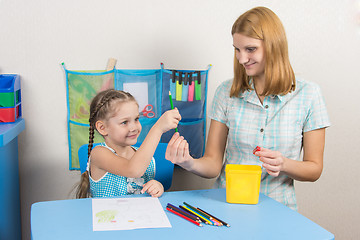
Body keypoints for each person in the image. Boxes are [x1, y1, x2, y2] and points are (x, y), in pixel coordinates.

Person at [165, 6, 330, 210]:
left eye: (250, 49)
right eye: (237, 49)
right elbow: (213, 163)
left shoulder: (309, 94)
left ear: (274, 46)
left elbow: (314, 169)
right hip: (228, 206)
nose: (242, 59)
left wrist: (284, 164)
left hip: (280, 210)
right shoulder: (226, 92)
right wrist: (188, 162)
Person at [76, 89, 181, 198]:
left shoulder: (142, 156)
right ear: (102, 128)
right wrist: (158, 128)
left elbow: (146, 190)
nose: (134, 127)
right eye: (124, 122)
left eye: (136, 119)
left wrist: (157, 187)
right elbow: (133, 170)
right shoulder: (99, 154)